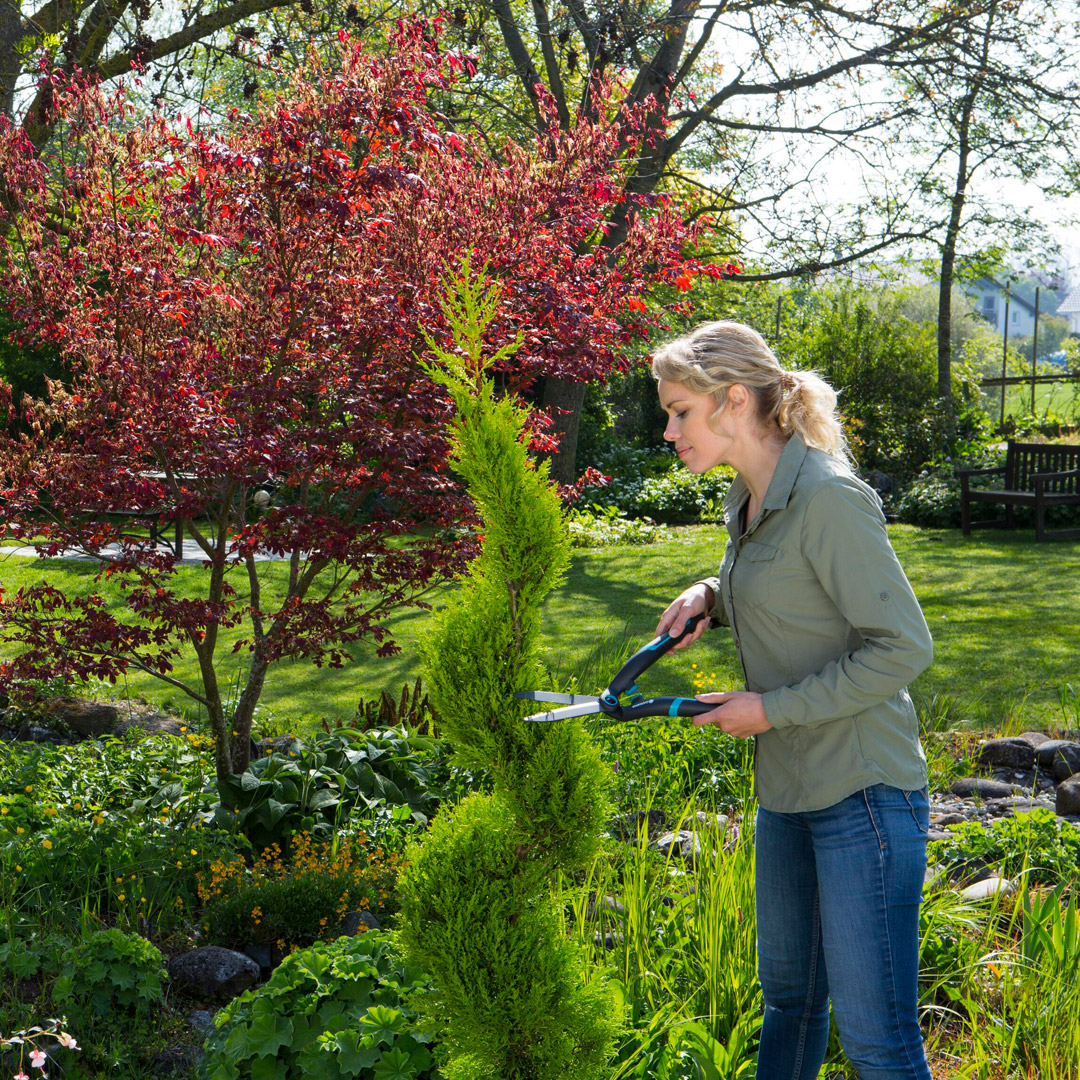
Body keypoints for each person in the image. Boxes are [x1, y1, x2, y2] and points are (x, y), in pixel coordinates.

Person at [653, 320, 934, 1080]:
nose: (670, 430)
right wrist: (709, 594)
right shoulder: (750, 503)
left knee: (878, 1043)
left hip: (863, 796)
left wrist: (769, 710)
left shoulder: (829, 500)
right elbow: (788, 595)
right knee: (791, 1006)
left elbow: (904, 649)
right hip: (788, 794)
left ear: (733, 401)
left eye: (680, 410)